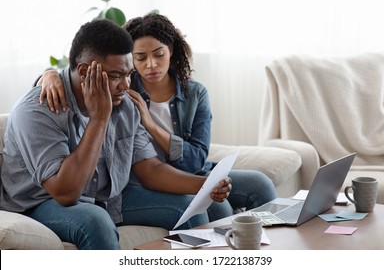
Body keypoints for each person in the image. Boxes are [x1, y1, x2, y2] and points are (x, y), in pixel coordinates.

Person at [0, 19, 231, 250]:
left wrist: (207, 185)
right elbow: (66, 193)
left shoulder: (124, 102)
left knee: (190, 207)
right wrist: (99, 119)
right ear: (84, 71)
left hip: (108, 196)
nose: (125, 84)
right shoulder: (37, 111)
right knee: (95, 220)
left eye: (128, 74)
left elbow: (149, 169)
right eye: (115, 75)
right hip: (40, 202)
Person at [38, 13, 276, 221]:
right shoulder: (122, 91)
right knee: (219, 207)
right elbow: (77, 74)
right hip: (143, 179)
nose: (151, 65)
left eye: (159, 54)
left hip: (190, 172)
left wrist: (151, 126)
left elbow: (195, 161)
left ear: (170, 51)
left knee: (260, 183)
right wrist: (48, 75)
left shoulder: (194, 94)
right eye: (140, 58)